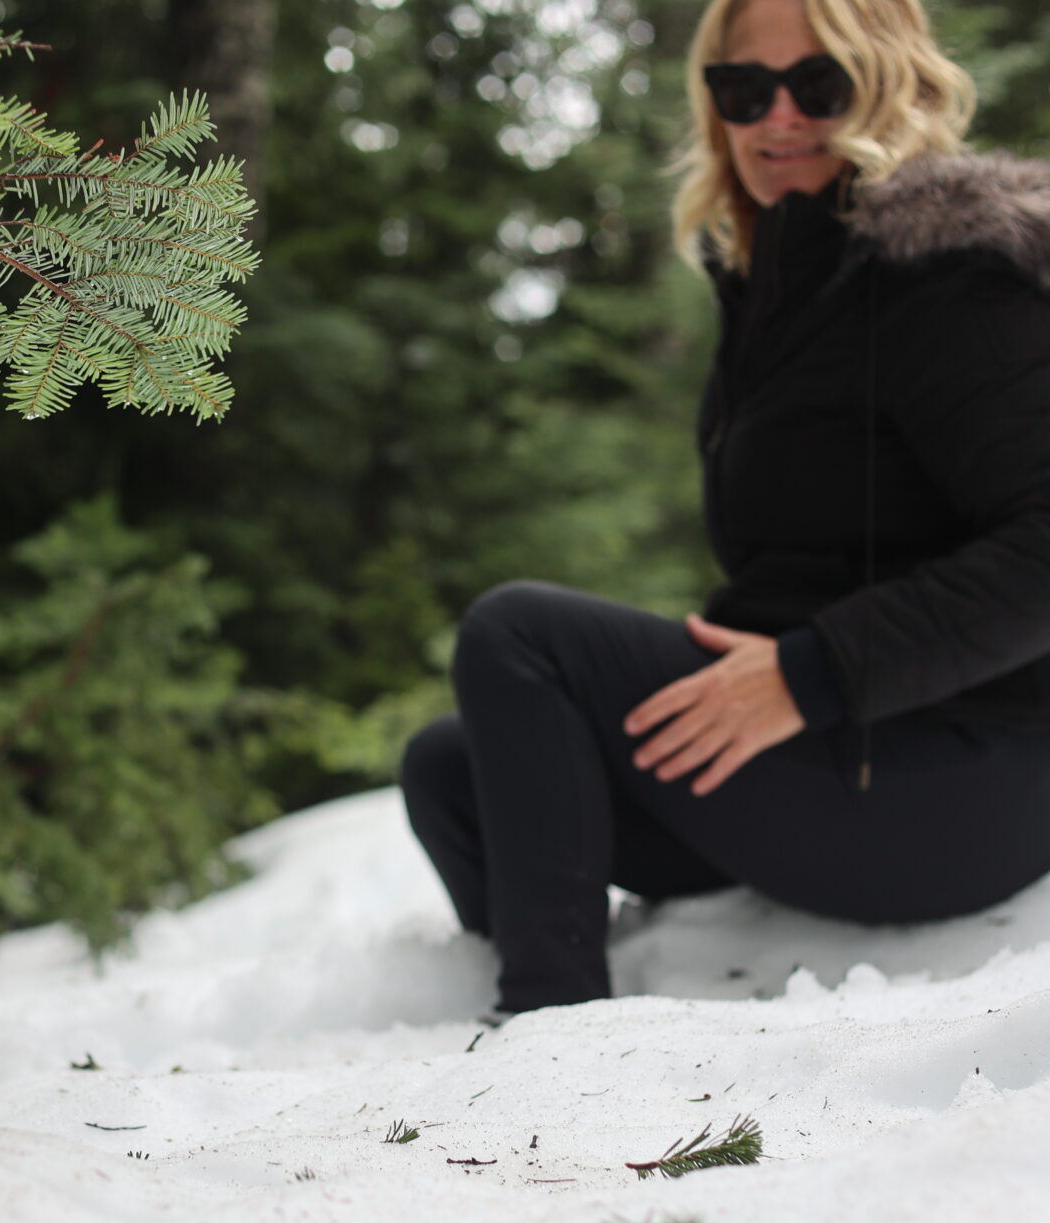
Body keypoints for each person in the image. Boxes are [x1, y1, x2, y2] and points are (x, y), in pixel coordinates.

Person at [399, 0, 1050, 1016]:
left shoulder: (948, 274)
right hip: (847, 750)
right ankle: (610, 979)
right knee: (452, 770)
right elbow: (824, 551)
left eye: (817, 85)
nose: (775, 117)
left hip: (967, 779)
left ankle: (548, 1031)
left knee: (518, 635)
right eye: (744, 88)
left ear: (884, 83)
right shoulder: (782, 286)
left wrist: (814, 671)